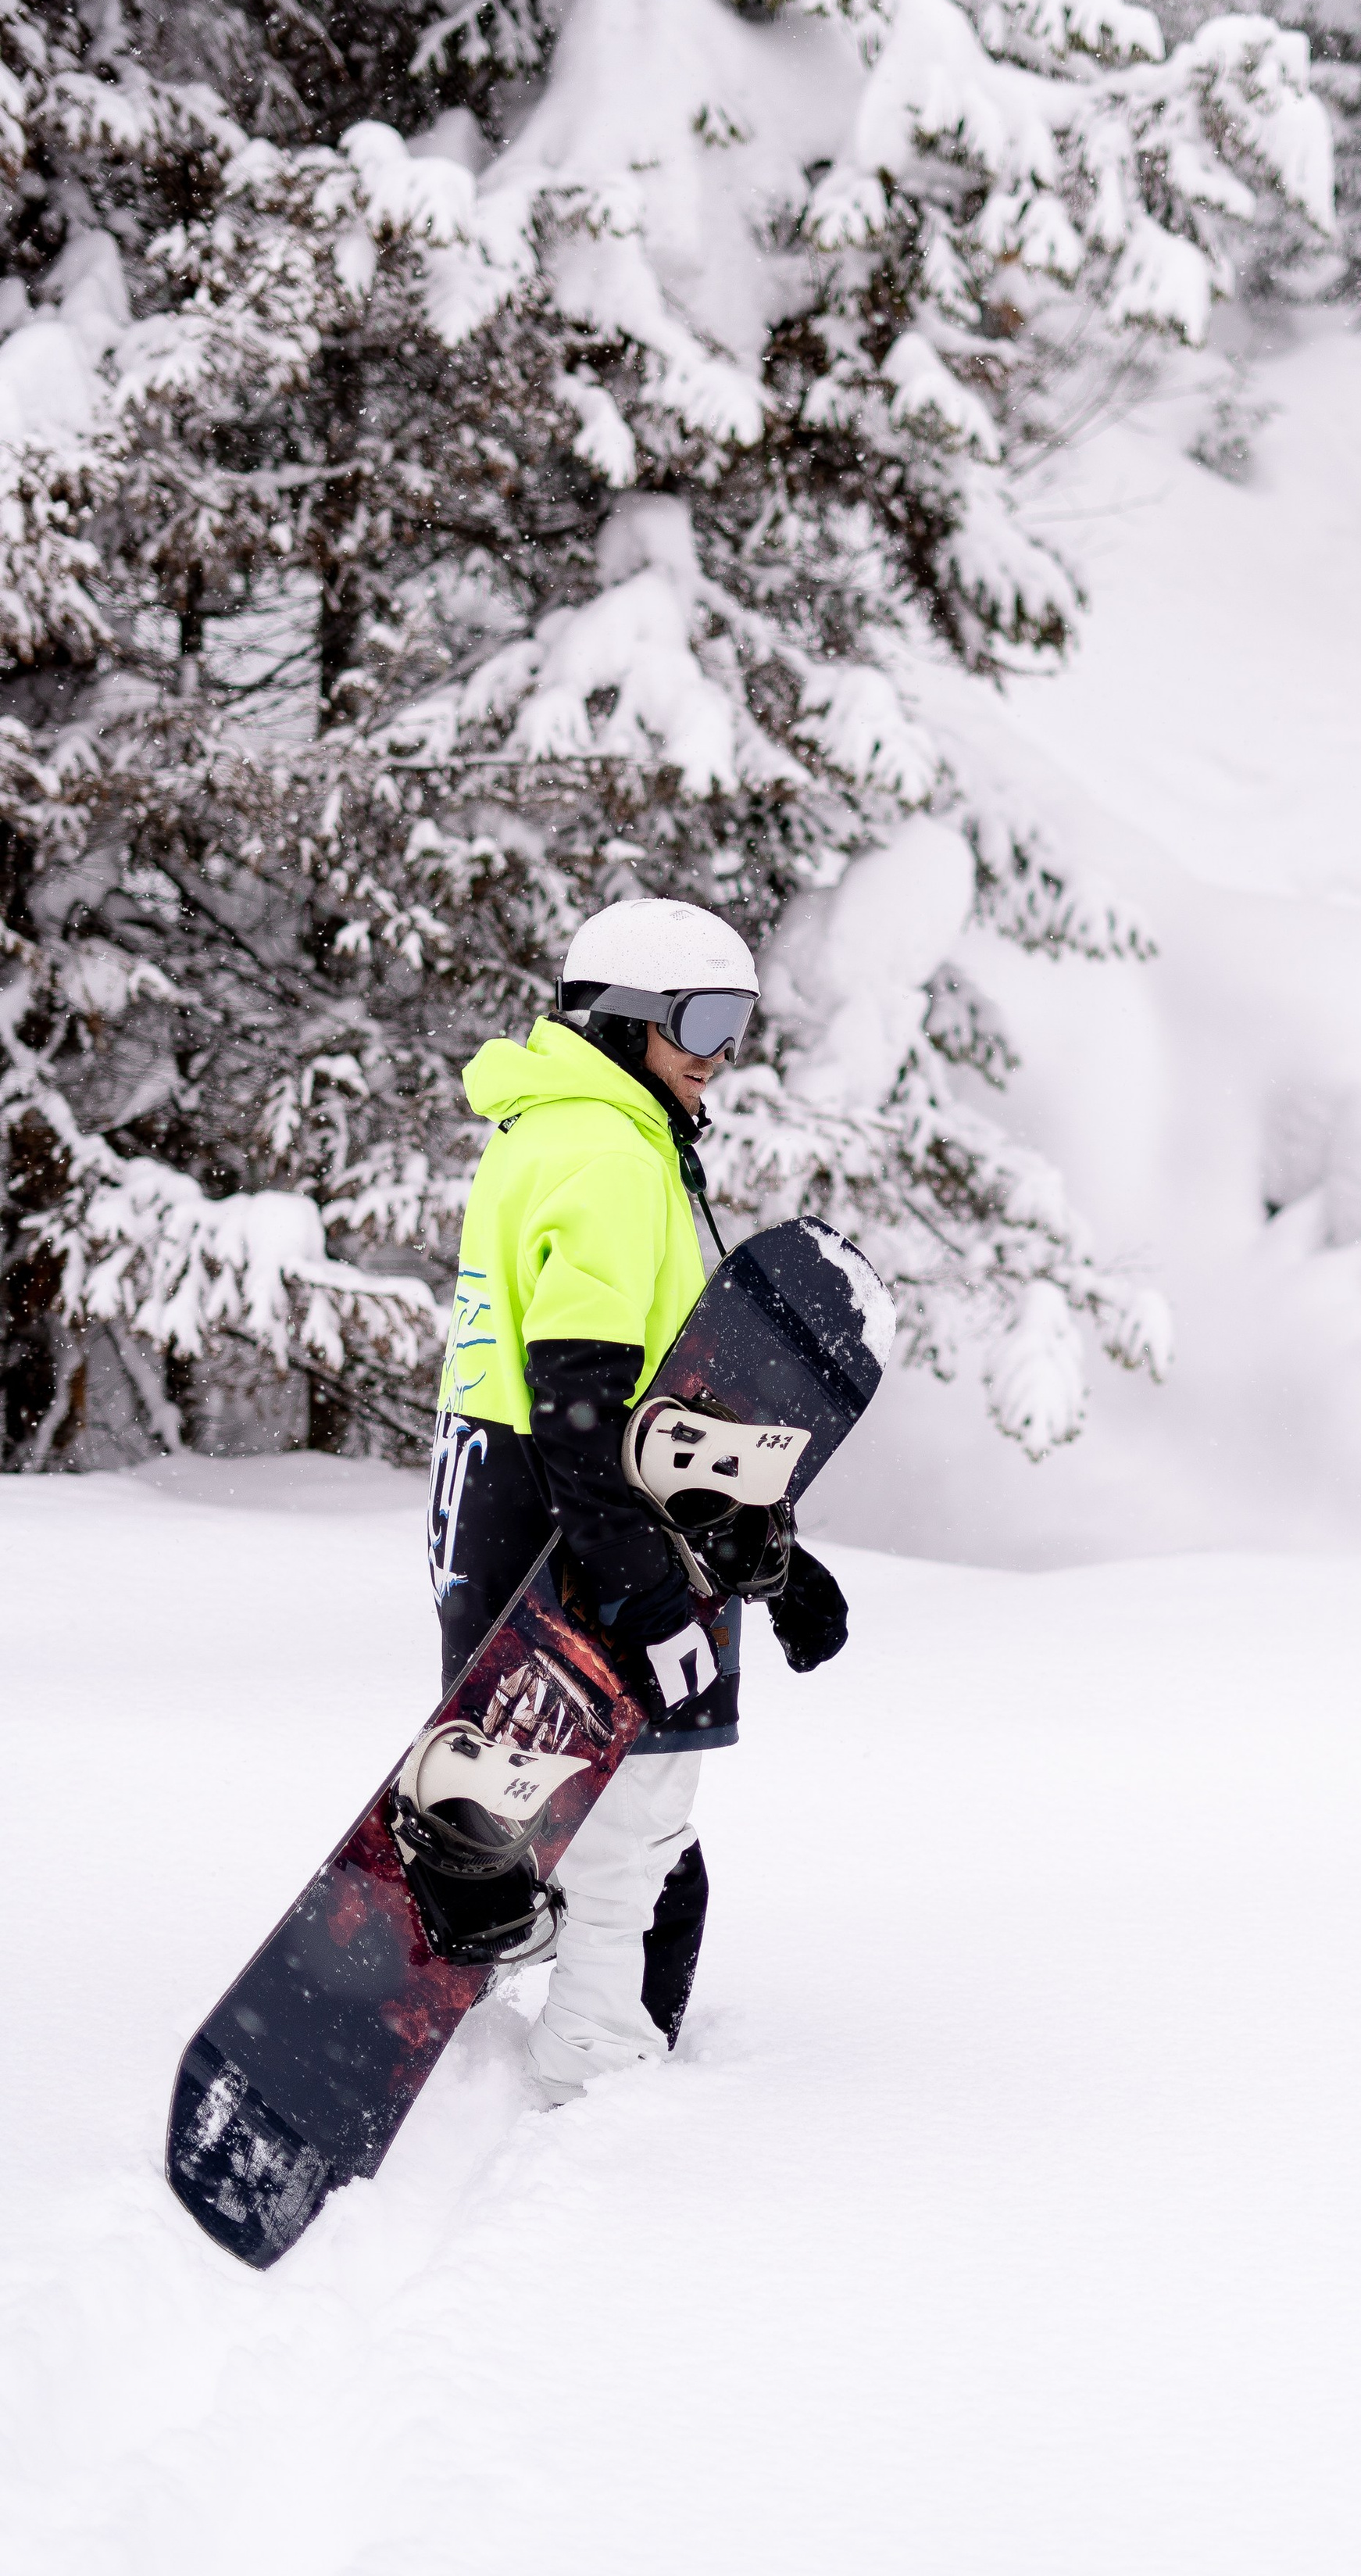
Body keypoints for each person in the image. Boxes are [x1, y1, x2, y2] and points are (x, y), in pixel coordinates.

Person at [427, 896, 851, 2102]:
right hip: (579, 1551)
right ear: (622, 1020)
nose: (722, 1053)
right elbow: (585, 1407)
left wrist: (774, 1561)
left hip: (502, 1521)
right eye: (700, 1021)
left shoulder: (552, 1133)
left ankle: (506, 2051)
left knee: (611, 1842)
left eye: (738, 1023)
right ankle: (591, 2094)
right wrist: (651, 1600)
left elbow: (657, 1411)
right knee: (634, 1857)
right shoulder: (610, 1157)